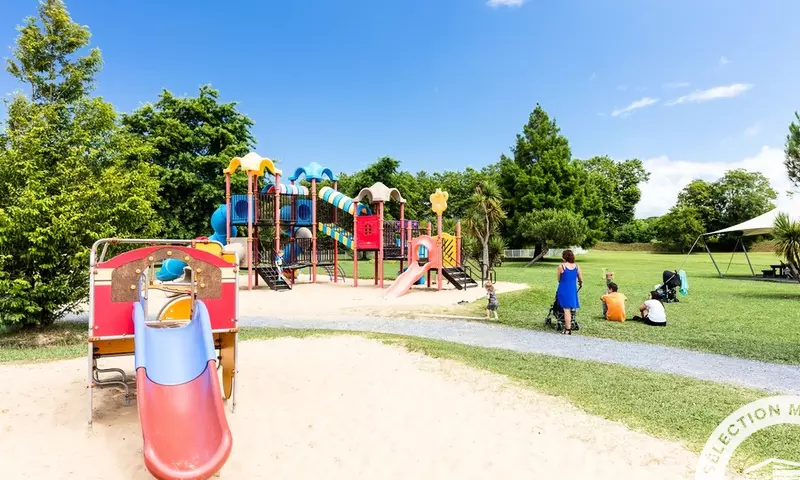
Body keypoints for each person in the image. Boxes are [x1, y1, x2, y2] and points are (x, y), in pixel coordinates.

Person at [556, 249, 583, 334]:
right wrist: (580, 283)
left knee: (566, 310)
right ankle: (569, 326)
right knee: (570, 309)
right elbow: (581, 279)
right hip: (572, 290)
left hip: (563, 289)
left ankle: (568, 329)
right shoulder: (577, 266)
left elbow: (559, 279)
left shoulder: (561, 266)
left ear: (564, 257)